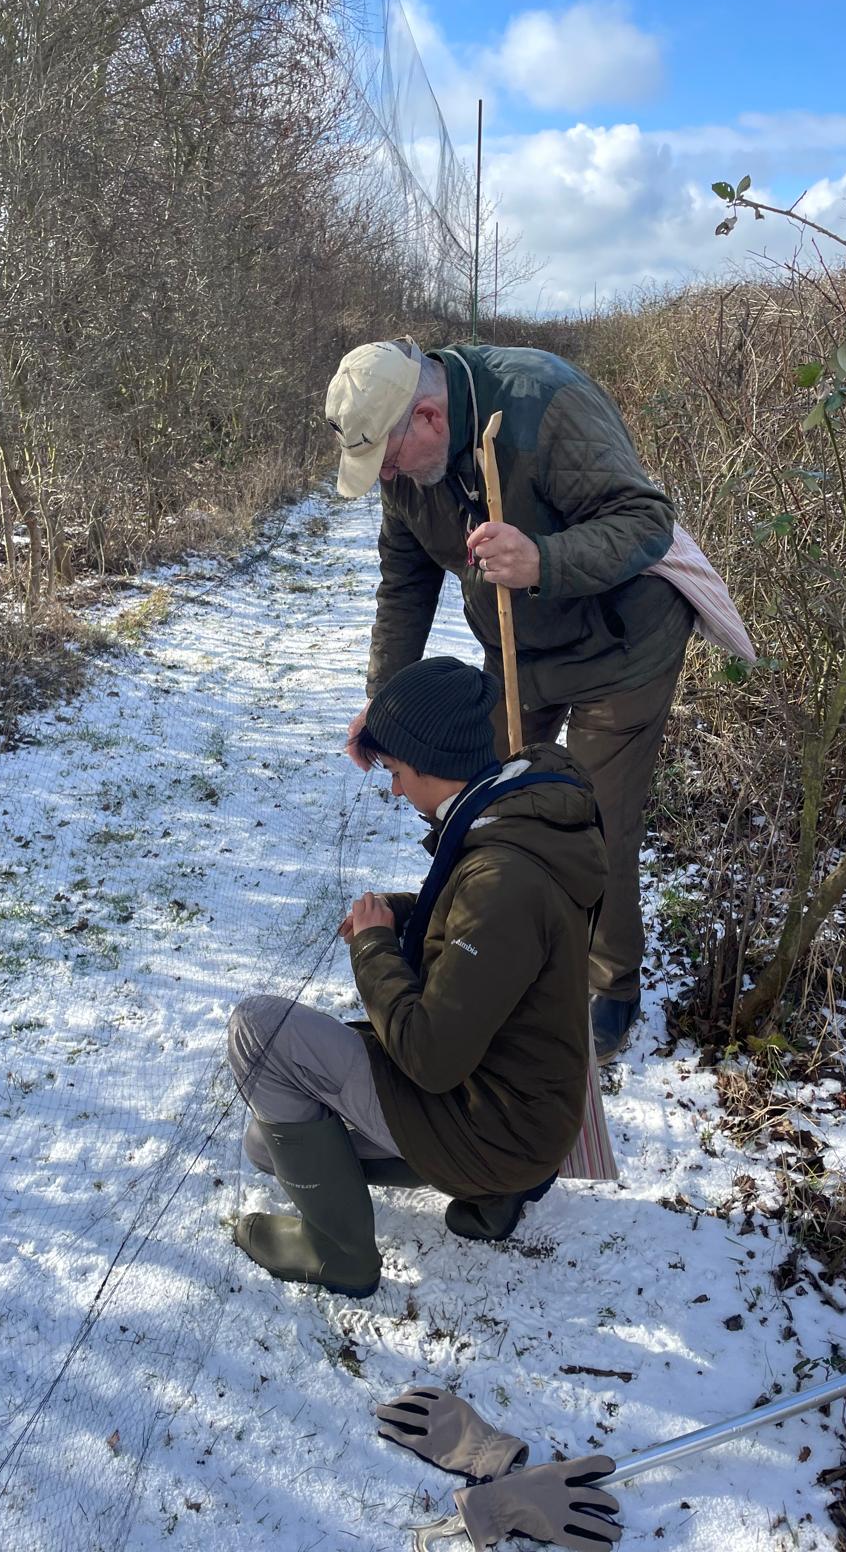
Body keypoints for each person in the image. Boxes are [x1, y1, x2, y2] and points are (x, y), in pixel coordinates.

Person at [326, 337, 695, 1061]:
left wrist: (544, 560)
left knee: (594, 819)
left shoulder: (546, 405)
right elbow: (405, 584)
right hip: (517, 649)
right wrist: (386, 705)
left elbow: (647, 522)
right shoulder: (405, 466)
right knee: (477, 795)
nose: (389, 480)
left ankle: (610, 984)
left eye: (392, 462)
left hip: (620, 647)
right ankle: (479, 944)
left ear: (429, 417)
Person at [227, 656, 606, 1298]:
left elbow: (429, 1057)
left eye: (399, 773)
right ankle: (499, 1190)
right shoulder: (519, 808)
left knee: (257, 1034)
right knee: (266, 1145)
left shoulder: (503, 881)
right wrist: (405, 913)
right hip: (526, 1106)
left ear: (432, 764)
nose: (397, 790)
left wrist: (375, 946)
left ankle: (338, 1253)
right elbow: (486, 943)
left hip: (497, 1121)